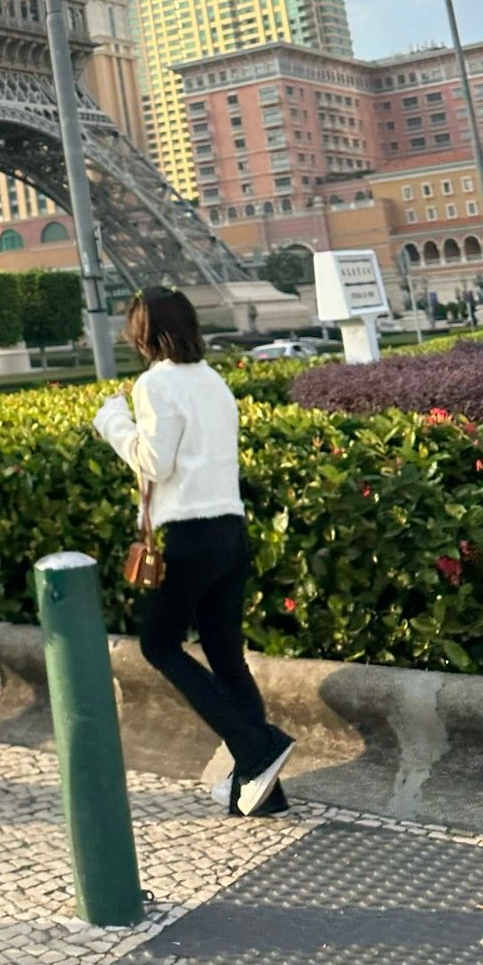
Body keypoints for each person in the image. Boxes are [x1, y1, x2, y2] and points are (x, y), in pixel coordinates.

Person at [93, 286, 295, 818]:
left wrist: (113, 423)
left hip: (187, 534)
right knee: (226, 656)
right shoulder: (214, 381)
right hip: (230, 530)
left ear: (143, 335)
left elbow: (154, 464)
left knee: (159, 644)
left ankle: (258, 747)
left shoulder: (154, 384)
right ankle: (261, 786)